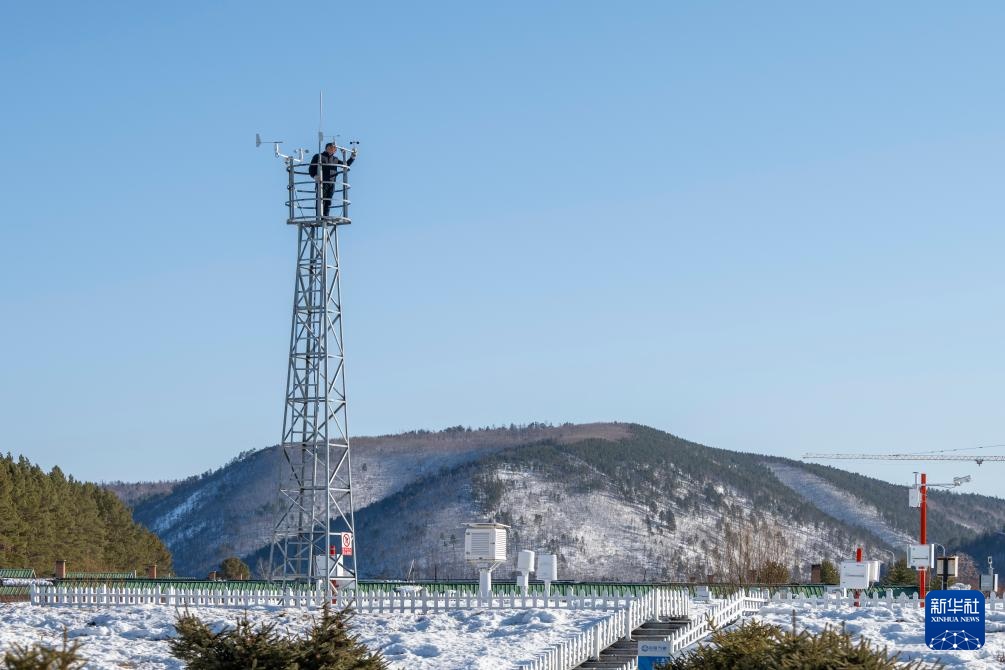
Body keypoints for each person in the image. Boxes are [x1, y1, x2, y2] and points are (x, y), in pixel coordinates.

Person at [309, 142, 357, 218]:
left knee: (328, 201)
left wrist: (352, 157)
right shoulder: (319, 156)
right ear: (326, 148)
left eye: (334, 148)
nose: (333, 149)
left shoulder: (335, 159)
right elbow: (311, 168)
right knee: (320, 199)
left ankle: (325, 216)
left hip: (331, 183)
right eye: (331, 148)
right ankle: (319, 216)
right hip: (322, 182)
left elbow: (345, 165)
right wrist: (314, 176)